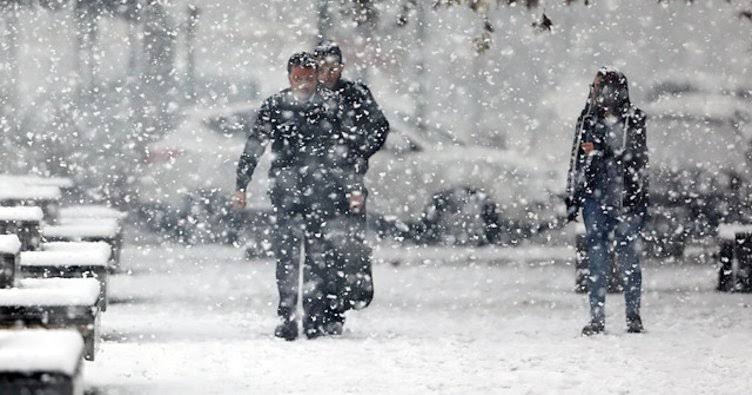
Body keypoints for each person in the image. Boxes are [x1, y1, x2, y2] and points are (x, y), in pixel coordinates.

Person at [232, 52, 343, 340]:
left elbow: (345, 150)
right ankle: (289, 316)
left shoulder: (330, 105)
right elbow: (255, 144)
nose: (304, 84)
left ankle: (314, 317)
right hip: (289, 190)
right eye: (298, 78)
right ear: (289, 77)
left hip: (321, 191)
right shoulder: (277, 105)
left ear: (317, 76)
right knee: (288, 256)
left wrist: (348, 187)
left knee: (318, 257)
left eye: (308, 77)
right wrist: (241, 184)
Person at [312, 41, 390, 331]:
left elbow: (379, 127)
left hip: (348, 182)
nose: (327, 73)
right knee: (319, 245)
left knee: (349, 245)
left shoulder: (355, 94)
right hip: (315, 185)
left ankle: (341, 303)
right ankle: (321, 306)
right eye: (321, 67)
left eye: (332, 67)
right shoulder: (308, 96)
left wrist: (357, 152)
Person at [565, 67, 649, 336]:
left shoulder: (633, 119)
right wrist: (573, 195)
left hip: (626, 199)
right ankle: (598, 317)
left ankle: (632, 315)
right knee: (598, 259)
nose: (595, 92)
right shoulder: (587, 119)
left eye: (598, 87)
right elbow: (577, 159)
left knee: (627, 260)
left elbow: (634, 156)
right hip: (595, 198)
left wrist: (599, 152)